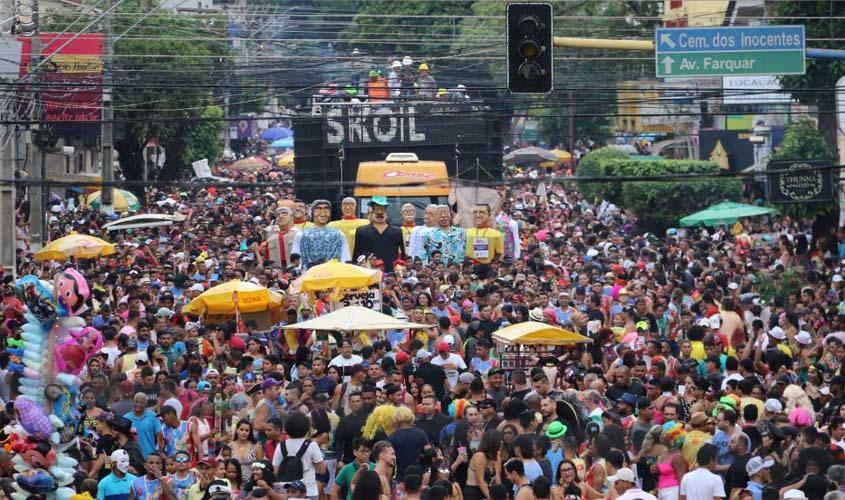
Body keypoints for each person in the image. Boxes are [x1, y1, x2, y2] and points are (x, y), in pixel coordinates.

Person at [271, 412, 326, 500]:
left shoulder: (281, 446)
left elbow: (275, 472)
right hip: (309, 491)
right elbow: (322, 470)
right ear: (306, 428)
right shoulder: (312, 445)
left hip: (286, 492)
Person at [352, 196, 406, 272]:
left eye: (382, 208)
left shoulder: (397, 231)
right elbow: (356, 255)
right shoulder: (361, 231)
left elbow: (402, 256)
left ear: (386, 209)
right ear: (372, 210)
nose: (379, 212)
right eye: (377, 208)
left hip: (391, 274)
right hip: (368, 273)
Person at [292, 200, 350, 268]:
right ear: (313, 212)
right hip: (309, 274)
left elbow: (345, 258)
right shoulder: (301, 235)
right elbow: (296, 261)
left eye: (326, 210)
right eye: (318, 210)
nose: (322, 214)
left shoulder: (339, 235)